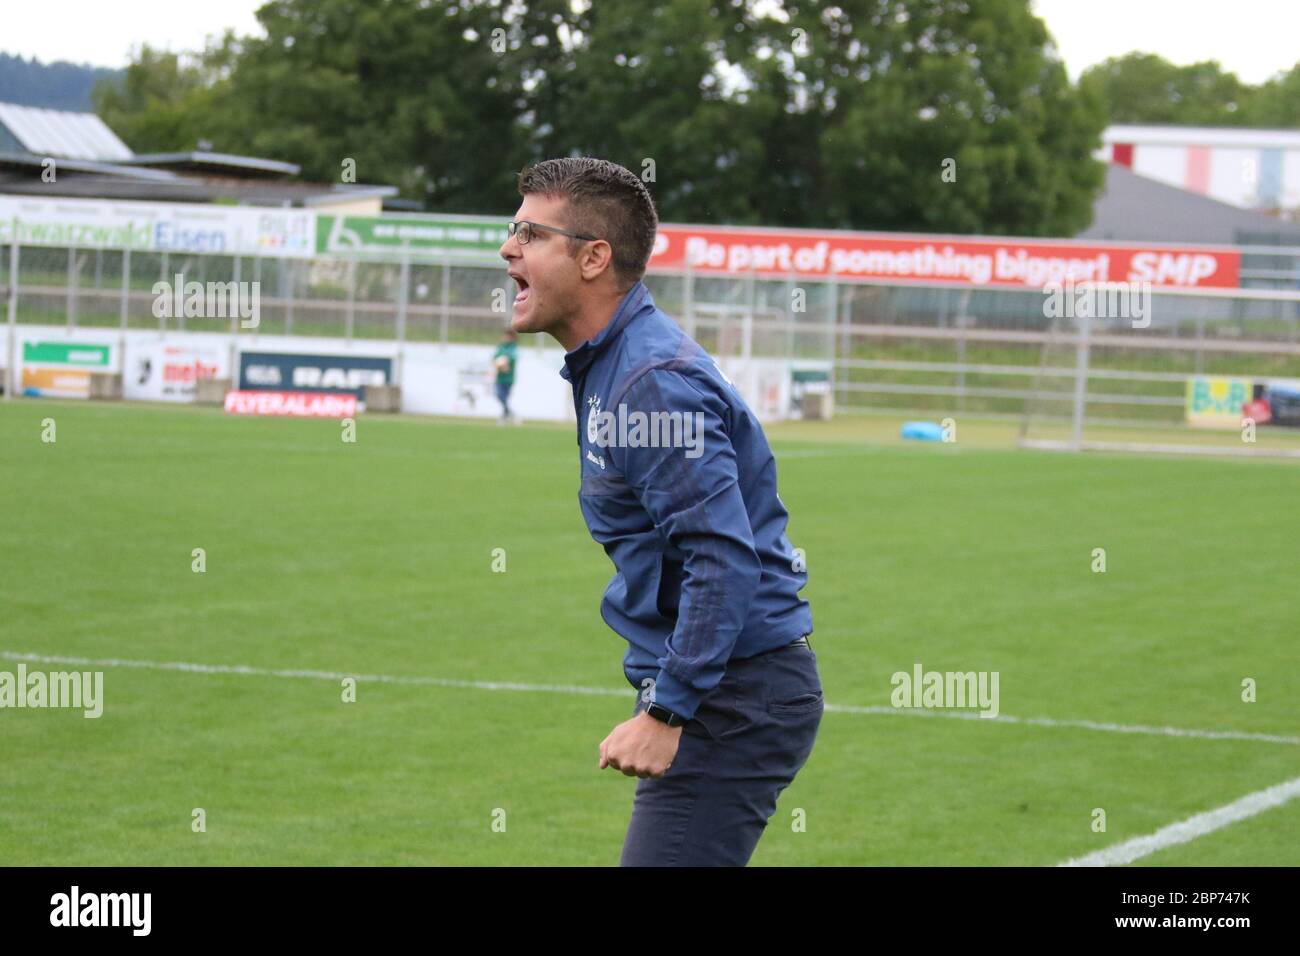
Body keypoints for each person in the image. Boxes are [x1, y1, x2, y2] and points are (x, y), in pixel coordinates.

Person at [499, 157, 822, 867]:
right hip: (729, 689)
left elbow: (722, 556)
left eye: (530, 231)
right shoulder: (615, 366)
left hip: (733, 699)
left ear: (593, 257)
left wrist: (668, 709)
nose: (507, 247)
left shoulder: (649, 382)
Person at [492, 328, 519, 424]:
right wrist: (498, 363)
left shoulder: (513, 348)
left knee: (504, 397)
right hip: (499, 377)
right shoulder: (501, 347)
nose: (505, 338)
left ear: (512, 338)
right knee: (499, 395)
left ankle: (506, 416)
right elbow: (495, 358)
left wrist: (504, 363)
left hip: (508, 378)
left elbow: (512, 360)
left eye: (508, 336)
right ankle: (510, 414)